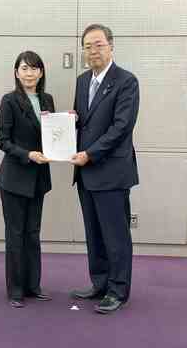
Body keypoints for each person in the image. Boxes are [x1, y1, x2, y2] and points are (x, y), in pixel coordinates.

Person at [71, 24, 140, 314]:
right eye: (87, 46)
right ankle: (99, 282)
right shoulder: (82, 80)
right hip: (86, 173)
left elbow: (121, 128)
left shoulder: (126, 81)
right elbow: (84, 121)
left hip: (111, 171)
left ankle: (117, 290)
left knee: (116, 235)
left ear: (111, 45)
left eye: (98, 44)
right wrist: (64, 123)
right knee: (94, 233)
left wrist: (90, 153)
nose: (93, 51)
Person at [0, 51, 55, 308]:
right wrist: (27, 154)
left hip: (38, 178)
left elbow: (53, 133)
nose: (29, 73)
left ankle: (33, 286)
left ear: (41, 72)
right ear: (16, 73)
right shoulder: (8, 101)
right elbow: (3, 141)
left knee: (33, 233)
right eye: (24, 68)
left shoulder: (47, 99)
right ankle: (16, 290)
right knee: (16, 234)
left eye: (34, 68)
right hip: (14, 178)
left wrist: (70, 123)